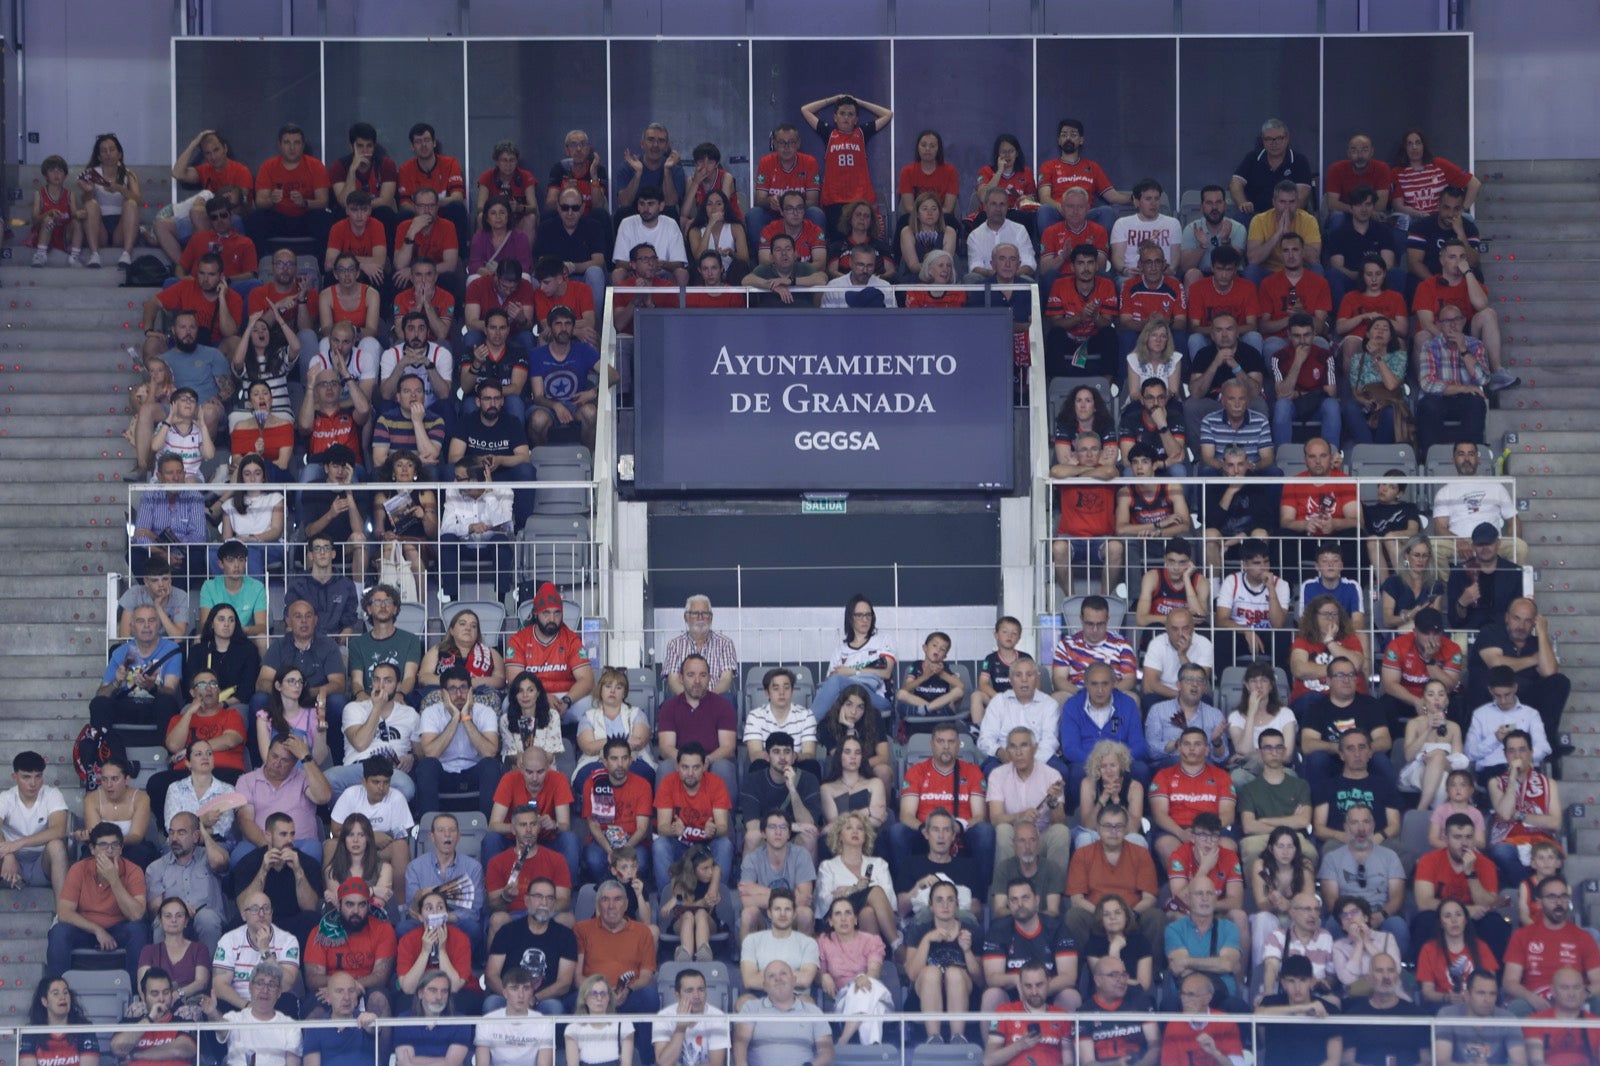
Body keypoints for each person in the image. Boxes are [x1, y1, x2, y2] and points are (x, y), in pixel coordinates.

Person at [46, 822, 147, 980]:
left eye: (115, 845)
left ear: (121, 849)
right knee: (59, 932)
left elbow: (136, 915)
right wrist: (97, 930)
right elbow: (64, 912)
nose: (109, 850)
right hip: (85, 929)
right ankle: (56, 990)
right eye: (103, 845)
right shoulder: (79, 869)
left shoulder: (134, 871)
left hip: (118, 928)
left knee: (139, 930)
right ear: (92, 849)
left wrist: (114, 879)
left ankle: (136, 994)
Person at [1414, 812, 1514, 962]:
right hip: (1443, 918)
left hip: (1474, 921)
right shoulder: (1429, 861)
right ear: (1446, 839)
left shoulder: (1486, 864)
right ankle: (1421, 977)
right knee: (1424, 919)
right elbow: (1424, 903)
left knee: (1494, 923)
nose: (1464, 843)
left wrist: (1471, 873)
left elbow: (1488, 904)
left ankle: (1494, 979)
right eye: (1457, 837)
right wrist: (1464, 911)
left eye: (1468, 837)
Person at [1064, 802, 1164, 947]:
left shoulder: (1140, 853)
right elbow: (1076, 900)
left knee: (1156, 916)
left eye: (1118, 826)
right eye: (1107, 826)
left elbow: (1149, 898)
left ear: (1125, 829)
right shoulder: (1083, 854)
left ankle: (1153, 969)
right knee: (1074, 916)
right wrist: (1105, 915)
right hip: (1096, 915)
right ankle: (1080, 967)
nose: (1113, 831)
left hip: (1132, 916)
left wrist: (1127, 915)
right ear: (1098, 828)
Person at [1501, 875, 1600, 1016]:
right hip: (1536, 1001)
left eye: (1563, 897)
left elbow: (1597, 981)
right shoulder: (1522, 936)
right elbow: (1510, 982)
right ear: (1540, 903)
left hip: (1575, 999)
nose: (1559, 902)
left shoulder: (1584, 937)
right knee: (1518, 1006)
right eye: (1552, 897)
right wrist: (1531, 998)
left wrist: (1581, 995)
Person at [88, 602, 184, 745]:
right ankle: (104, 753)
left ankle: (167, 754)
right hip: (127, 705)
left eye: (151, 620)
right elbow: (100, 694)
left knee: (166, 703)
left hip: (155, 706)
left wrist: (153, 687)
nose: (146, 626)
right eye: (140, 621)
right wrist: (116, 682)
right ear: (132, 627)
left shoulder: (171, 650)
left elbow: (171, 690)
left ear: (159, 625)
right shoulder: (120, 652)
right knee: (98, 704)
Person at [980, 880, 1082, 1013]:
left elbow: (1069, 977)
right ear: (1009, 904)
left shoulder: (1056, 928)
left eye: (1025, 898)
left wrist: (1037, 989)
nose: (1020, 904)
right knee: (991, 995)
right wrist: (1018, 980)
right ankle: (993, 1035)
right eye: (1014, 900)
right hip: (1013, 995)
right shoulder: (998, 930)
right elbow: (992, 978)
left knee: (1071, 996)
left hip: (1049, 994)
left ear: (1037, 900)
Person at [415, 666, 502, 818]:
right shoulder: (431, 713)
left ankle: (490, 828)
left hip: (474, 772)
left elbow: (490, 752)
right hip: (444, 774)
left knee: (491, 765)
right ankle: (429, 827)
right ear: (443, 693)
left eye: (463, 688)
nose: (459, 694)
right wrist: (455, 718)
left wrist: (466, 718)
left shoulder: (485, 712)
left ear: (470, 691)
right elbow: (430, 753)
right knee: (426, 766)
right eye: (453, 689)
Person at [504, 582, 593, 720]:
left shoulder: (571, 639)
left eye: (557, 613)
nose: (552, 619)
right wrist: (542, 698)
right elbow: (515, 681)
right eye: (546, 613)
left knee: (589, 705)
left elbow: (586, 679)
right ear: (536, 613)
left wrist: (567, 701)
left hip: (564, 698)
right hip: (533, 697)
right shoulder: (519, 640)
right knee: (507, 705)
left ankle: (579, 741)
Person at [653, 743, 735, 891]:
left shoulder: (716, 784)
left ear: (704, 767)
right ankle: (666, 899)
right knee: (660, 845)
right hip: (679, 844)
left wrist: (714, 830)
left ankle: (718, 896)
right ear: (677, 766)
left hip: (706, 846)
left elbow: (723, 827)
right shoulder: (668, 783)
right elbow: (661, 827)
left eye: (696, 767)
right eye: (685, 767)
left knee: (725, 844)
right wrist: (673, 830)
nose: (690, 773)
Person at [657, 656, 739, 800]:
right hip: (681, 760)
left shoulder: (723, 705)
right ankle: (665, 821)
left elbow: (728, 747)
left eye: (703, 675)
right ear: (681, 678)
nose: (697, 681)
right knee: (666, 767)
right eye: (690, 675)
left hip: (712, 760)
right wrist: (689, 764)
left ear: (709, 678)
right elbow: (666, 748)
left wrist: (705, 761)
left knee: (723, 767)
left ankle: (725, 821)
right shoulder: (669, 707)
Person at [1432, 441, 1526, 565]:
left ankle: (1508, 583)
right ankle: (1448, 585)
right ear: (1453, 460)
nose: (1466, 458)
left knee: (1519, 547)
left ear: (1478, 459)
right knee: (1433, 547)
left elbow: (1513, 520)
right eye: (1461, 454)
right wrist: (1459, 542)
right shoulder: (1445, 491)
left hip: (1492, 541)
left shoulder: (1496, 486)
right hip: (1459, 542)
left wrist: (1501, 542)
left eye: (1471, 454)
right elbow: (1440, 528)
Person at [575, 879, 660, 1013]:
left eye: (617, 899)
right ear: (598, 905)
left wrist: (627, 990)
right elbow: (577, 977)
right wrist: (600, 993)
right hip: (591, 994)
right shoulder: (581, 930)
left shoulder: (643, 932)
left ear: (626, 904)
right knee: (573, 1000)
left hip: (628, 995)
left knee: (649, 997)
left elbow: (646, 976)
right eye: (605, 900)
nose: (611, 906)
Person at [201, 959, 302, 1066]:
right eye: (260, 983)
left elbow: (293, 1063)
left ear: (279, 992)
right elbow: (221, 1028)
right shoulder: (236, 1018)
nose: (265, 990)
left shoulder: (290, 1026)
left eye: (271, 985)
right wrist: (212, 1012)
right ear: (250, 987)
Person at [1380, 607, 1466, 728]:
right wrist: (1416, 701)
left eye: (1436, 633)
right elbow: (1389, 685)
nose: (1431, 638)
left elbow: (1449, 687)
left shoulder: (1452, 648)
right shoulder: (1397, 645)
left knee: (1458, 705)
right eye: (1425, 633)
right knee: (1385, 704)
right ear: (1415, 632)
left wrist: (1429, 661)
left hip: (1438, 699)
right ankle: (1394, 744)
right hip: (1406, 698)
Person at [1044, 244, 1120, 380]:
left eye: (1090, 263)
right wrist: (1080, 317)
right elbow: (1056, 323)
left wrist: (1096, 316)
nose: (1086, 268)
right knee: (1055, 335)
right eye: (1080, 263)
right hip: (1069, 339)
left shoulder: (1107, 285)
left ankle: (1107, 385)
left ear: (1097, 266)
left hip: (1093, 340)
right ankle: (1057, 385)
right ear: (1072, 267)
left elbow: (1107, 323)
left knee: (1110, 334)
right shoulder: (1059, 285)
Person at [1164, 880, 1244, 1007]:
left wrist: (1187, 961)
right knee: (1169, 1006)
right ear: (1188, 899)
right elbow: (1178, 968)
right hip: (1185, 996)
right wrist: (1216, 964)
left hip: (1221, 996)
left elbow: (1227, 964)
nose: (1205, 898)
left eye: (1210, 894)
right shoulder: (1174, 929)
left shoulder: (1229, 928)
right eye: (1199, 894)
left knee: (1239, 1008)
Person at [1254, 955, 1342, 1066]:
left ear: (1312, 981)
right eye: (1291, 981)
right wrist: (1302, 1008)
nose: (1297, 987)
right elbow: (1256, 1015)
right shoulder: (1270, 1003)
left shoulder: (1329, 1009)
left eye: (1303, 980)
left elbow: (1334, 1060)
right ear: (1283, 983)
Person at [1400, 680, 1470, 810]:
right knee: (1442, 773)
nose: (1436, 698)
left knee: (1443, 775)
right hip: (1418, 769)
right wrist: (1428, 730)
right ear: (1424, 700)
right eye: (1431, 694)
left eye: (1441, 694)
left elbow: (1458, 765)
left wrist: (1439, 759)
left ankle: (1422, 810)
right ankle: (1441, 820)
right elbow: (1408, 757)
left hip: (1447, 770)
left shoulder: (1454, 727)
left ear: (1447, 700)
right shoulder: (1414, 724)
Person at [1145, 669, 1228, 776]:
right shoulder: (1158, 710)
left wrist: (1217, 742)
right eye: (1189, 680)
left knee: (1205, 765)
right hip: (1168, 764)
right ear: (1179, 685)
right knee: (1182, 762)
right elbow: (1150, 751)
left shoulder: (1215, 715)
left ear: (1204, 687)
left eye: (1200, 681)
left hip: (1204, 764)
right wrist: (1173, 745)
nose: (1195, 684)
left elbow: (1222, 759)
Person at [82, 756, 159, 868]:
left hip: (131, 847)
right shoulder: (91, 798)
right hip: (101, 848)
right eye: (104, 779)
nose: (109, 785)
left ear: (126, 780)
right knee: (88, 860)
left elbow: (136, 836)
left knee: (140, 855)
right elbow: (96, 835)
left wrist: (113, 843)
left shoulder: (141, 798)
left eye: (114, 779)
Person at [1436, 971, 1526, 1066]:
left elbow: (1520, 1063)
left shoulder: (1508, 1019)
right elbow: (1441, 1062)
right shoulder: (1448, 1015)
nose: (1487, 1000)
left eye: (1492, 994)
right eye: (1481, 993)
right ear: (1467, 995)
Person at [113, 969, 199, 1066]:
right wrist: (150, 1019)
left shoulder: (183, 1022)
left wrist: (136, 1055)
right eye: (155, 994)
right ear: (144, 996)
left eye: (166, 992)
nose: (161, 999)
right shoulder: (130, 1022)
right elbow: (118, 1048)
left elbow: (180, 1050)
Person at [1227, 664, 1296, 784]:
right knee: (1237, 778)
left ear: (1271, 685)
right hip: (1247, 771)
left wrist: (1254, 756)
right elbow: (1244, 750)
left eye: (1264, 680)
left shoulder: (1285, 714)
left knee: (1290, 775)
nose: (1259, 686)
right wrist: (1251, 712)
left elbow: (1287, 756)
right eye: (1253, 681)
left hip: (1278, 769)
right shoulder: (1235, 716)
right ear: (1247, 686)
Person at [476, 965, 556, 1066]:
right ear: (505, 993)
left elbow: (544, 1064)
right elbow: (482, 1064)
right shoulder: (486, 1021)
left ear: (532, 992)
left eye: (526, 989)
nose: (521, 995)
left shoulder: (544, 1022)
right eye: (514, 989)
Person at [1110, 179, 1181, 277]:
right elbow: (1117, 257)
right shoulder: (1122, 224)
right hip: (1132, 275)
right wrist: (1125, 270)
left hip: (1163, 275)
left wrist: (1171, 269)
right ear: (1136, 201)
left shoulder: (1173, 224)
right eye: (1148, 199)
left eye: (1156, 199)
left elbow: (1175, 257)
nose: (1153, 203)